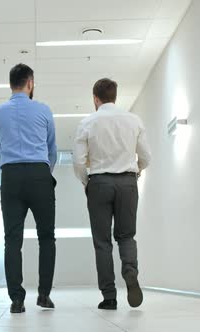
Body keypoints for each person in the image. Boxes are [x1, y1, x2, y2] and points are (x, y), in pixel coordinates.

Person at [73, 78, 151, 310]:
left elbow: (78, 161)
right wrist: (136, 172)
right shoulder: (133, 120)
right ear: (115, 96)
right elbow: (146, 156)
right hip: (127, 182)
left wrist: (87, 181)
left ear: (95, 99)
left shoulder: (87, 121)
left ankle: (109, 297)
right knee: (126, 236)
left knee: (102, 242)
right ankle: (130, 272)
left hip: (99, 183)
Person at [0, 63, 58, 314]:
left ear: (11, 84)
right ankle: (44, 295)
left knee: (12, 240)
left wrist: (10, 168)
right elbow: (52, 149)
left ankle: (17, 300)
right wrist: (42, 173)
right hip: (40, 174)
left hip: (11, 176)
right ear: (30, 84)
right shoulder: (43, 110)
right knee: (47, 237)